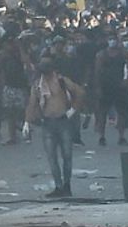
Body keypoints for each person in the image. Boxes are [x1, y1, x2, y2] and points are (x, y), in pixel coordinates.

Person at [24, 60, 85, 199]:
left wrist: (73, 109)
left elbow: (80, 92)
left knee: (66, 156)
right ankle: (59, 186)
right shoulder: (38, 85)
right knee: (52, 158)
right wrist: (27, 122)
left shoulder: (62, 81)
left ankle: (66, 185)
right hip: (48, 123)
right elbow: (32, 103)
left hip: (63, 121)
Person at [93, 38, 128, 146]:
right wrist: (98, 87)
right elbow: (97, 71)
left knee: (122, 112)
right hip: (105, 86)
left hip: (119, 86)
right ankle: (101, 137)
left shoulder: (123, 54)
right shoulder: (102, 55)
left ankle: (121, 136)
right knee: (102, 113)